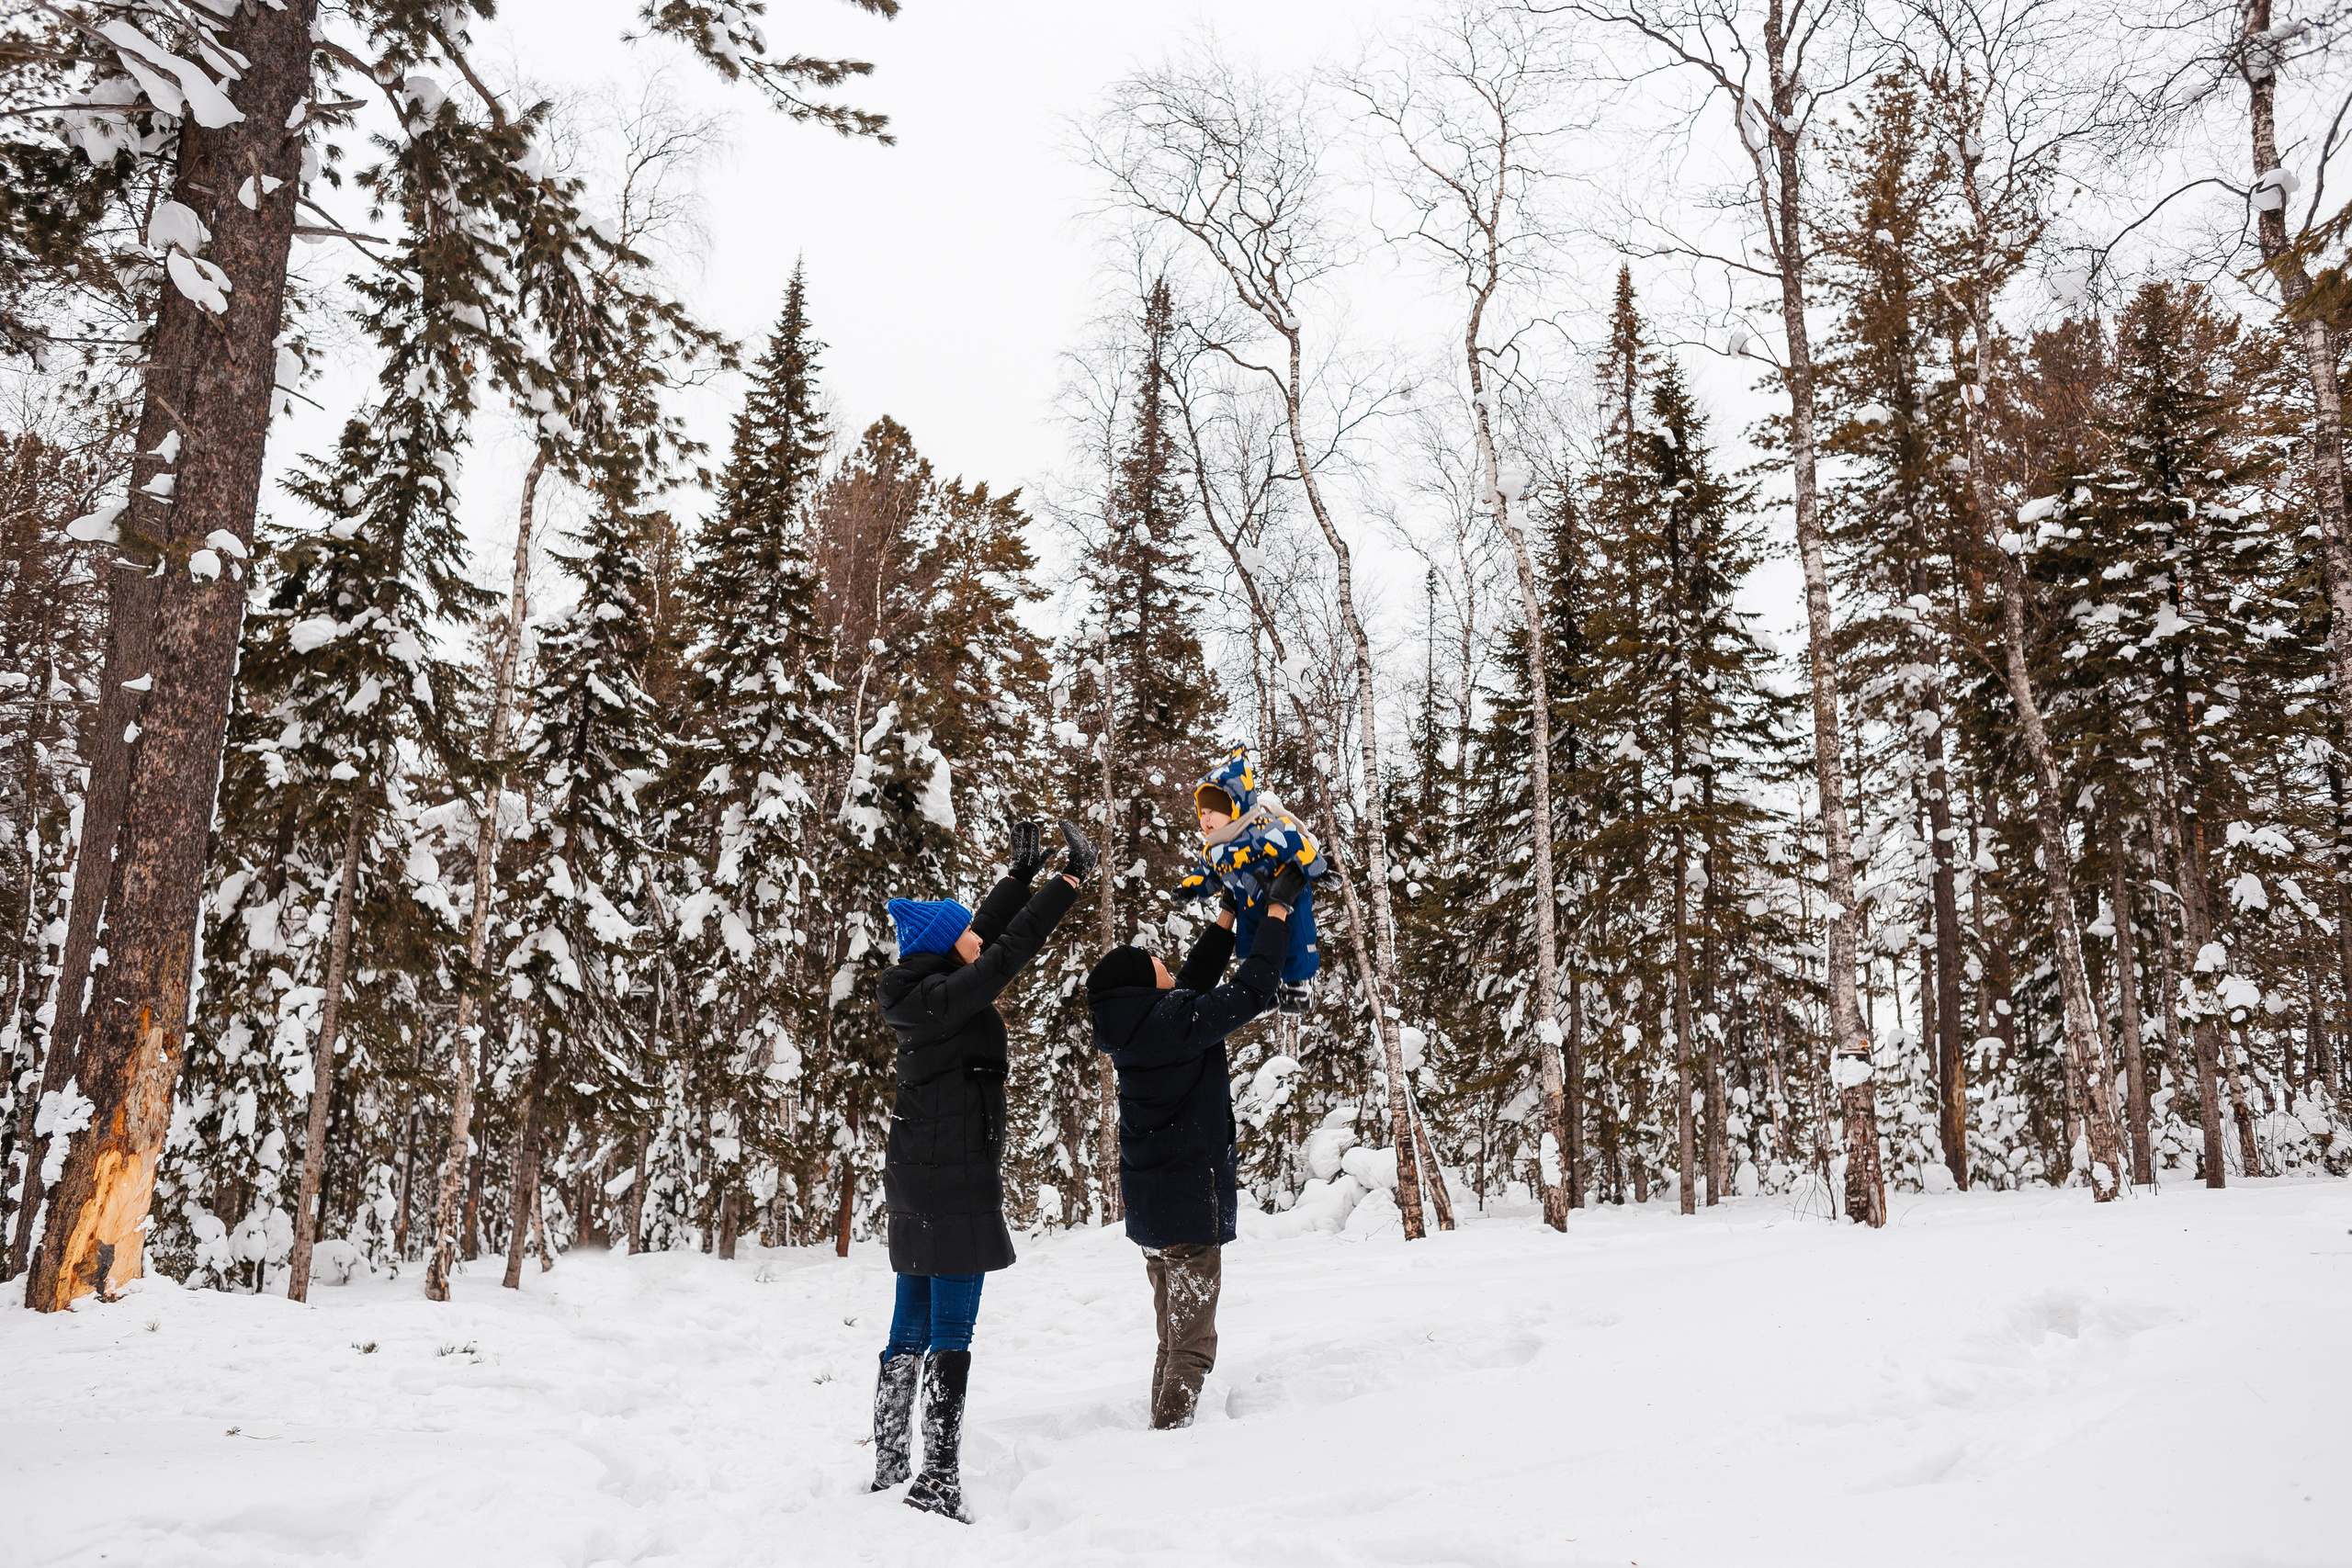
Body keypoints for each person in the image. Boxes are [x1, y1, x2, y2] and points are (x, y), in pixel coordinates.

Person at [869, 818, 1095, 1521]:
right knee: (951, 1332)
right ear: (945, 948)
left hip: (922, 1175)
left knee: (909, 1326)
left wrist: (1020, 873)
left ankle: (889, 1465)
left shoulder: (926, 989)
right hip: (952, 1177)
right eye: (962, 931)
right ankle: (937, 1478)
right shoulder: (942, 997)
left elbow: (978, 934)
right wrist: (1067, 882)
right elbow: (1004, 954)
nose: (977, 934)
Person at [1089, 858, 1306, 1429]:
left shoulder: (1141, 1025)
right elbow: (1252, 988)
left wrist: (1228, 917)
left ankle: (1164, 1423)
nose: (1168, 966)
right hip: (1186, 1209)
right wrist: (1279, 910)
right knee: (1192, 1342)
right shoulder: (1171, 1023)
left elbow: (1191, 985)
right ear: (1143, 985)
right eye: (1157, 964)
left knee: (1172, 1335)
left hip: (1155, 1212)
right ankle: (1171, 1438)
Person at [1175, 744, 1326, 1015]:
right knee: (1247, 945)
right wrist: (1190, 889)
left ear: (1234, 807)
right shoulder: (1214, 850)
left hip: (1286, 892)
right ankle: (1261, 990)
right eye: (1202, 812)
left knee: (1296, 937)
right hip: (1248, 903)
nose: (1206, 819)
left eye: (1213, 811)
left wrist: (1318, 869)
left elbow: (1295, 844)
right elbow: (1207, 876)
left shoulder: (1261, 830)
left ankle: (1298, 986)